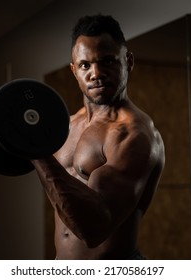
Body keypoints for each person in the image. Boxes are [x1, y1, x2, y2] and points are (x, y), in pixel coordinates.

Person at [31, 14, 165, 260]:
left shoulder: (134, 135)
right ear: (74, 70)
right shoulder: (67, 126)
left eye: (108, 62)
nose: (96, 73)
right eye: (85, 65)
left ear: (128, 61)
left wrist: (35, 150)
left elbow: (94, 229)